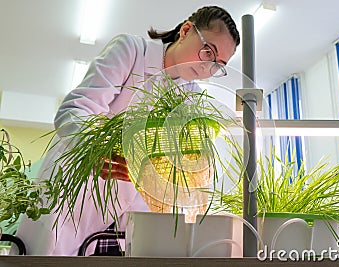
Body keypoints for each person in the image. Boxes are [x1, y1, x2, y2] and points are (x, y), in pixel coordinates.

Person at [12, 5, 240, 256]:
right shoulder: (132, 51)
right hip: (76, 191)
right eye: (208, 51)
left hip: (129, 205)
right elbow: (76, 109)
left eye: (218, 65)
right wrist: (97, 152)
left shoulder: (191, 97)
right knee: (50, 252)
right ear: (186, 30)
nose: (208, 67)